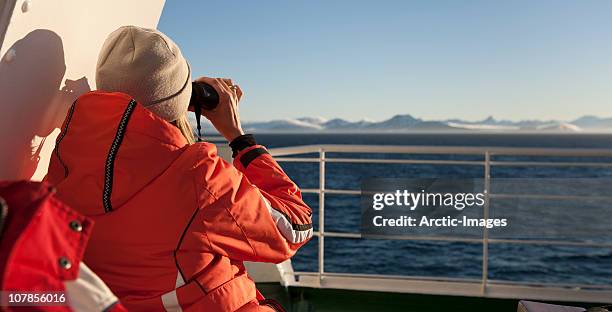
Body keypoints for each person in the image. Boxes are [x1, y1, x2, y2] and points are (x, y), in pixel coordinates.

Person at [44, 26, 313, 312]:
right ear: (179, 103)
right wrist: (239, 138)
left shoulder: (62, 162)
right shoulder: (199, 177)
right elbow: (296, 228)